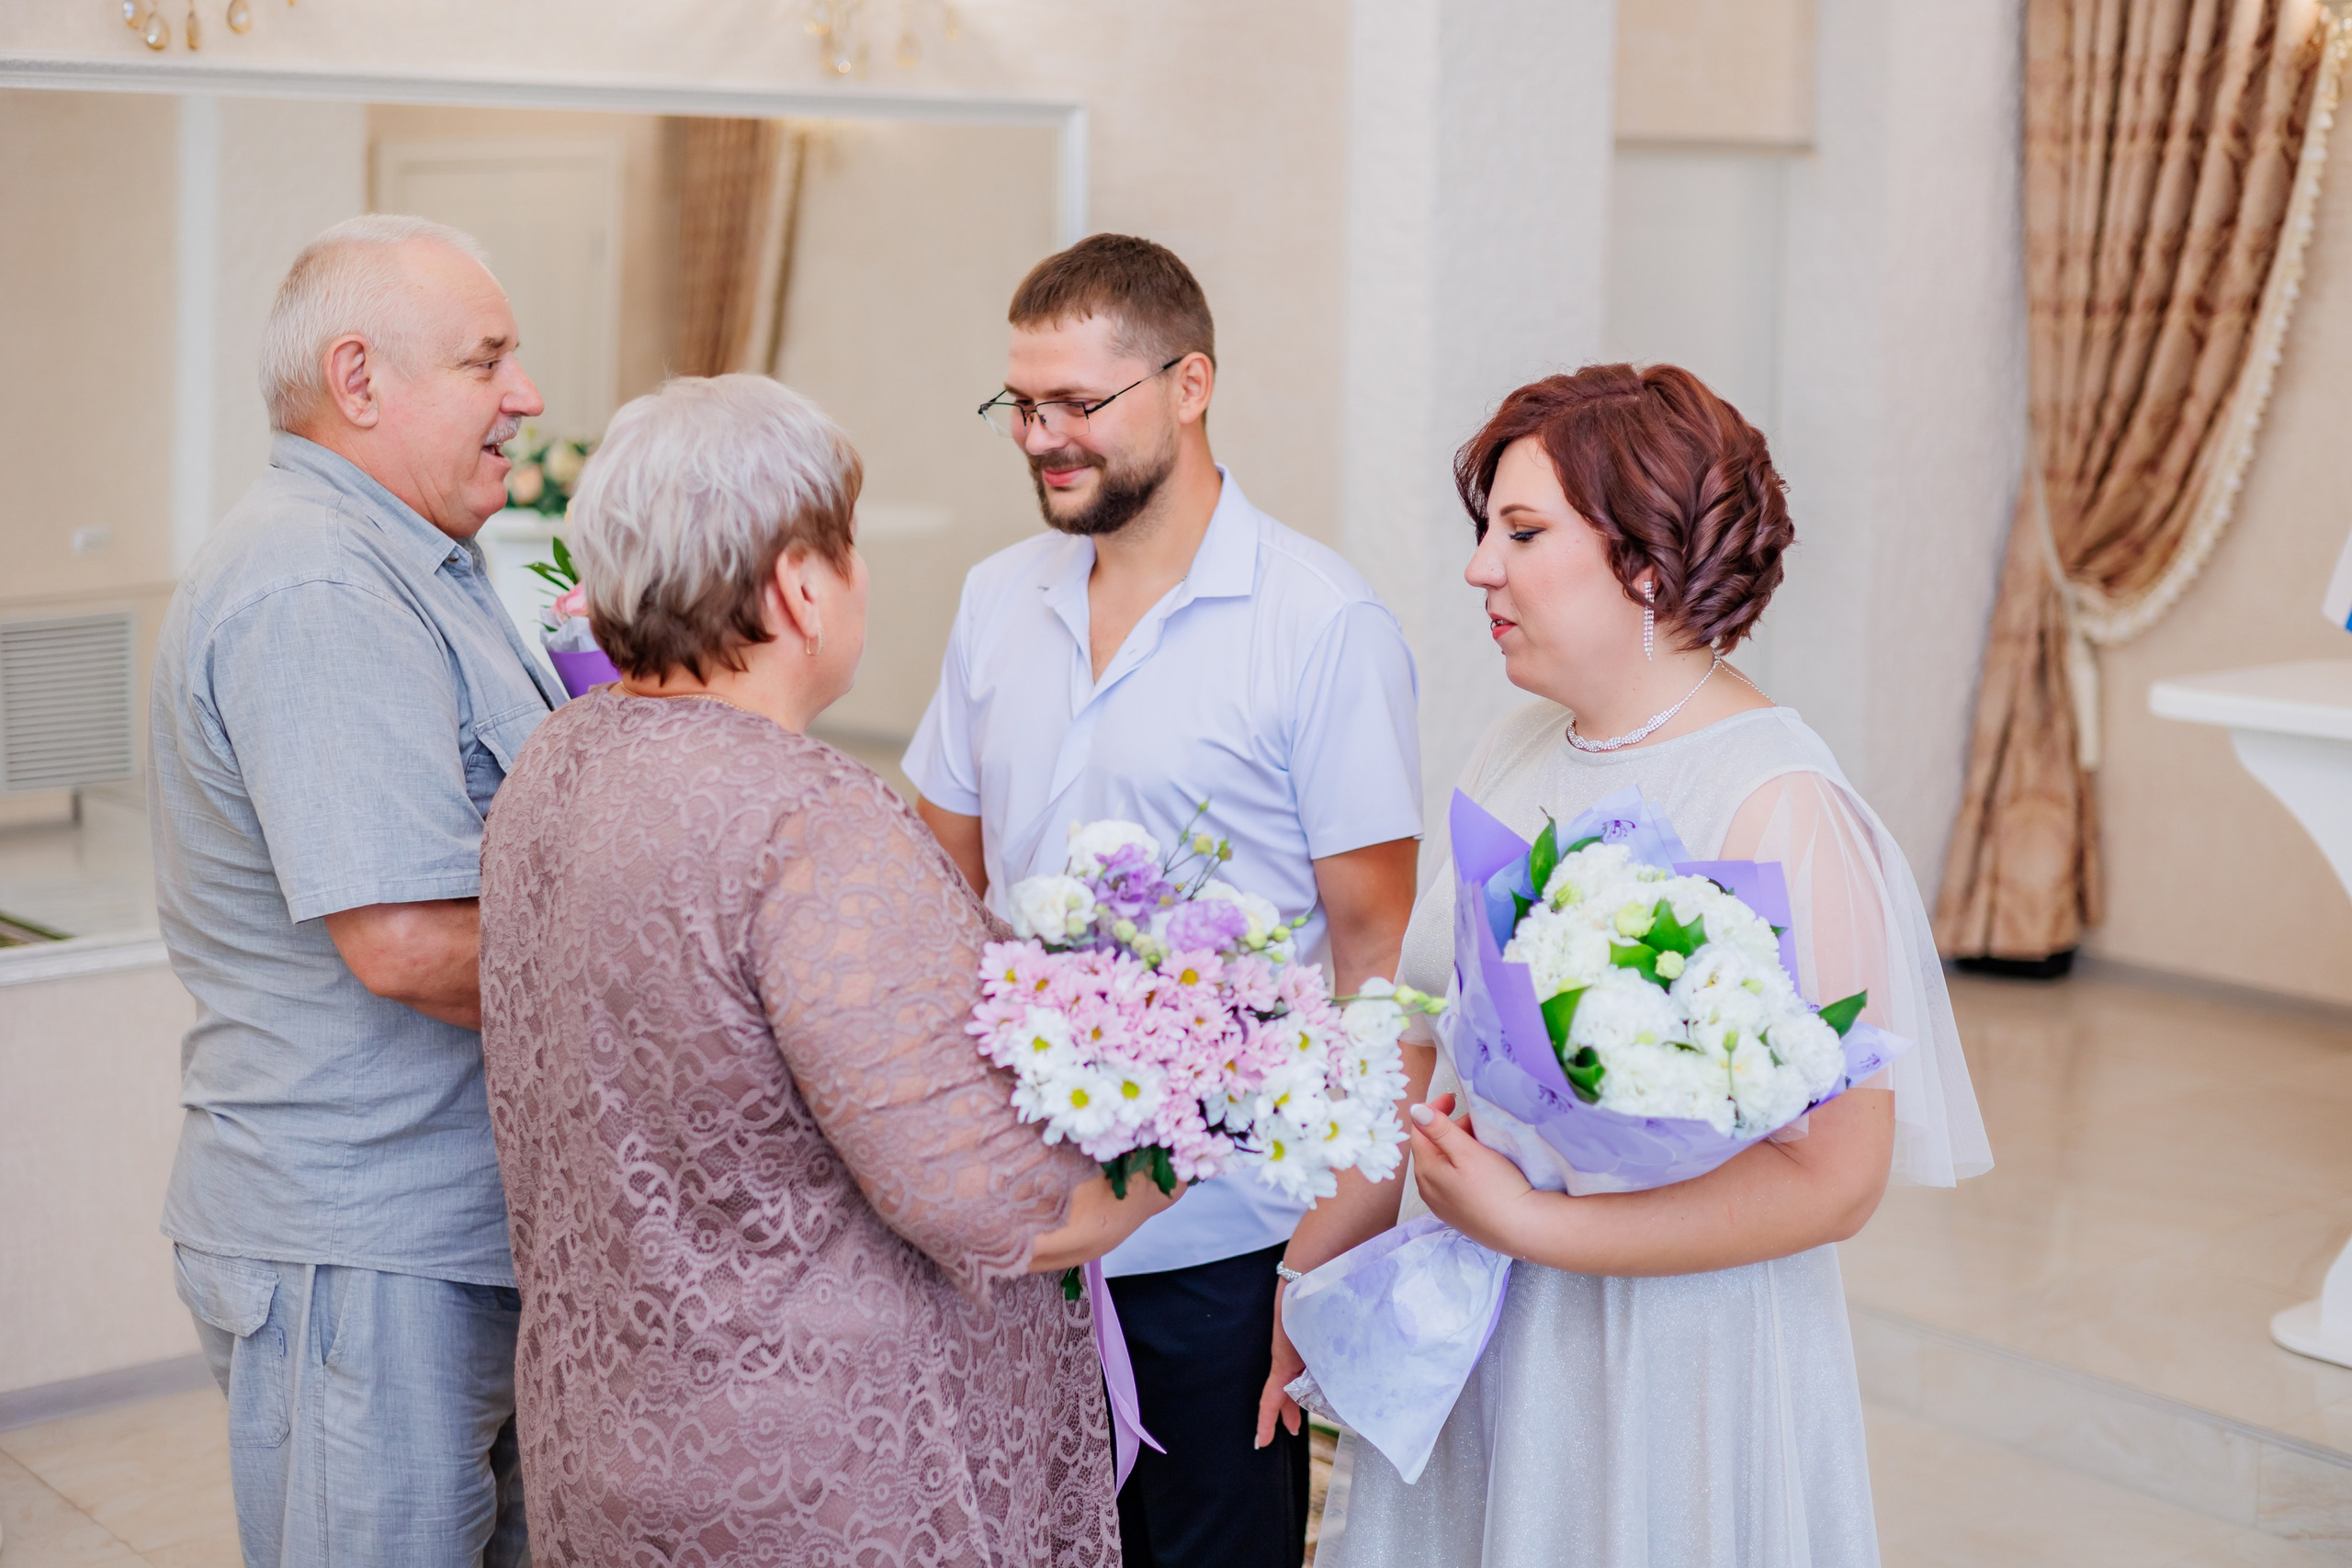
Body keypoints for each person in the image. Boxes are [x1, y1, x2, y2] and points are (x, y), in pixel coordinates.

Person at [1275, 364, 1993, 1567]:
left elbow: (1835, 1181)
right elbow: (1419, 1040)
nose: (1480, 569)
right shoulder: (1517, 747)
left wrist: (1531, 1224)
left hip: (1663, 1354)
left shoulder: (1777, 803)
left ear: (1647, 564)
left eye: (1521, 533)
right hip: (1479, 1319)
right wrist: (1309, 1277)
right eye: (1487, 531)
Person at [476, 373, 1174, 1567]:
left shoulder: (560, 760)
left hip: (613, 1429)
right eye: (847, 546)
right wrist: (1201, 1110)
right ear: (801, 586)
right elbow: (992, 1200)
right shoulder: (806, 819)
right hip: (818, 1479)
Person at [902, 234, 1424, 1568]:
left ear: (1191, 385)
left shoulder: (1321, 624)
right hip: (1020, 1227)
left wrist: (1323, 1254)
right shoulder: (994, 599)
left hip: (1225, 1242)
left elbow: (1378, 958)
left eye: (1079, 402)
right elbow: (942, 888)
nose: (1042, 438)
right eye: (1022, 404)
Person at [149, 214, 560, 1566]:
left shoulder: (418, 563)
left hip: (445, 1233)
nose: (525, 396)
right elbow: (405, 943)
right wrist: (687, 982)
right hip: (365, 1251)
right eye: (486, 361)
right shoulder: (317, 584)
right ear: (360, 380)